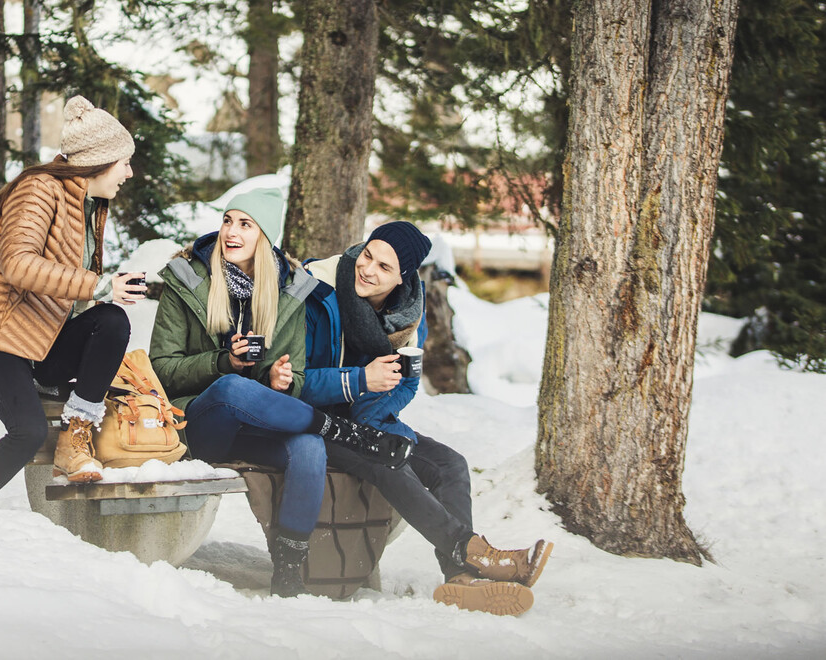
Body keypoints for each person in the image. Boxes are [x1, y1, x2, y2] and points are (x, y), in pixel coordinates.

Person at [149, 188, 411, 597]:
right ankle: (344, 432)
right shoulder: (188, 281)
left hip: (261, 421)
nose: (231, 232)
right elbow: (161, 372)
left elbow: (300, 380)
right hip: (199, 422)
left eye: (245, 224)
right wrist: (223, 362)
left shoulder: (289, 292)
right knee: (231, 386)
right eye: (228, 221)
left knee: (308, 447)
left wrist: (279, 379)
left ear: (264, 237)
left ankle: (289, 568)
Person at [301, 221, 552, 616]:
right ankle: (476, 553)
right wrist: (359, 381)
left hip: (367, 419)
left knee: (450, 464)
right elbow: (295, 382)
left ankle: (460, 579)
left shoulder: (409, 317)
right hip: (316, 420)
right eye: (368, 255)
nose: (367, 269)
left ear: (402, 278)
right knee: (388, 456)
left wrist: (373, 407)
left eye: (384, 267)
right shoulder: (321, 291)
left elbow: (406, 384)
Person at [0, 96, 147, 510]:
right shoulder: (39, 189)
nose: (129, 172)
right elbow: (17, 264)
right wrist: (99, 284)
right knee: (28, 433)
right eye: (124, 161)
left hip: (42, 343)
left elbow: (75, 294)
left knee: (110, 321)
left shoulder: (89, 206)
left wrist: (108, 292)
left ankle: (76, 438)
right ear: (99, 160)